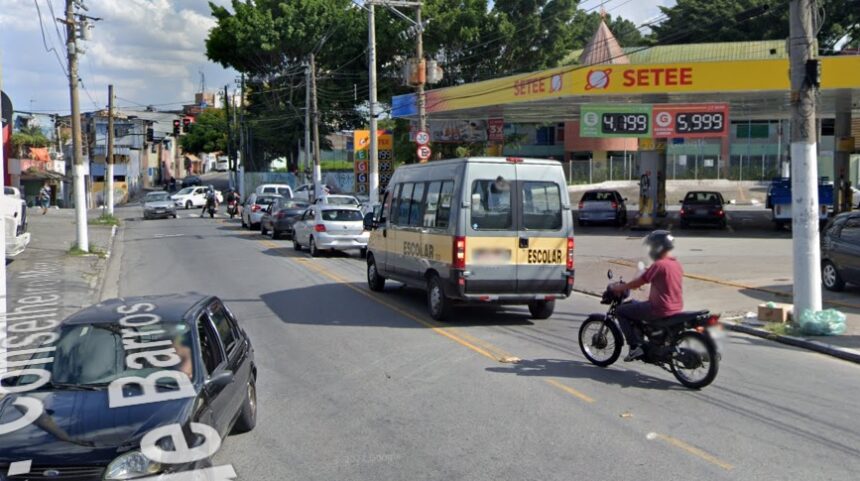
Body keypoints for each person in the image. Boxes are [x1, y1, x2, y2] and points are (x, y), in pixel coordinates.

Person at [610, 230, 684, 362]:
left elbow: (639, 282)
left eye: (652, 246)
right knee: (636, 305)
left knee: (621, 311)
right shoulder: (675, 264)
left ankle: (634, 347)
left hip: (659, 309)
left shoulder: (659, 265)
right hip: (676, 308)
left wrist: (620, 287)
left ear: (658, 247)